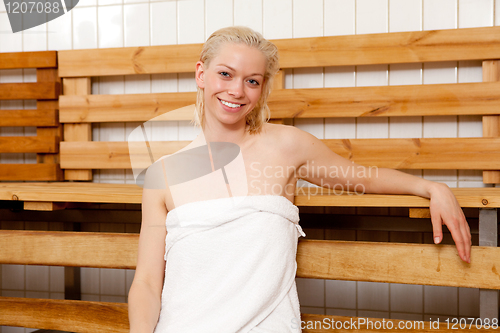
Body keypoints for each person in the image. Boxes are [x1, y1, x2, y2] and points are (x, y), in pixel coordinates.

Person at [128, 26, 471, 333]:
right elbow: (146, 281)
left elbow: (362, 177)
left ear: (262, 89)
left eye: (252, 81)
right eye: (225, 74)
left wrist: (430, 187)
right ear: (201, 74)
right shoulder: (165, 174)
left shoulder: (287, 147)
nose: (237, 91)